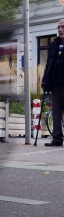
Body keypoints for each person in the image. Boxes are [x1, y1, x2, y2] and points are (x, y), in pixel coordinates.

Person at [41, 19, 64, 147]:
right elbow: (48, 64)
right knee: (56, 111)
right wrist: (45, 79)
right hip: (55, 83)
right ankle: (57, 138)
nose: (60, 30)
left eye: (63, 27)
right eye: (59, 27)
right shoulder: (54, 45)